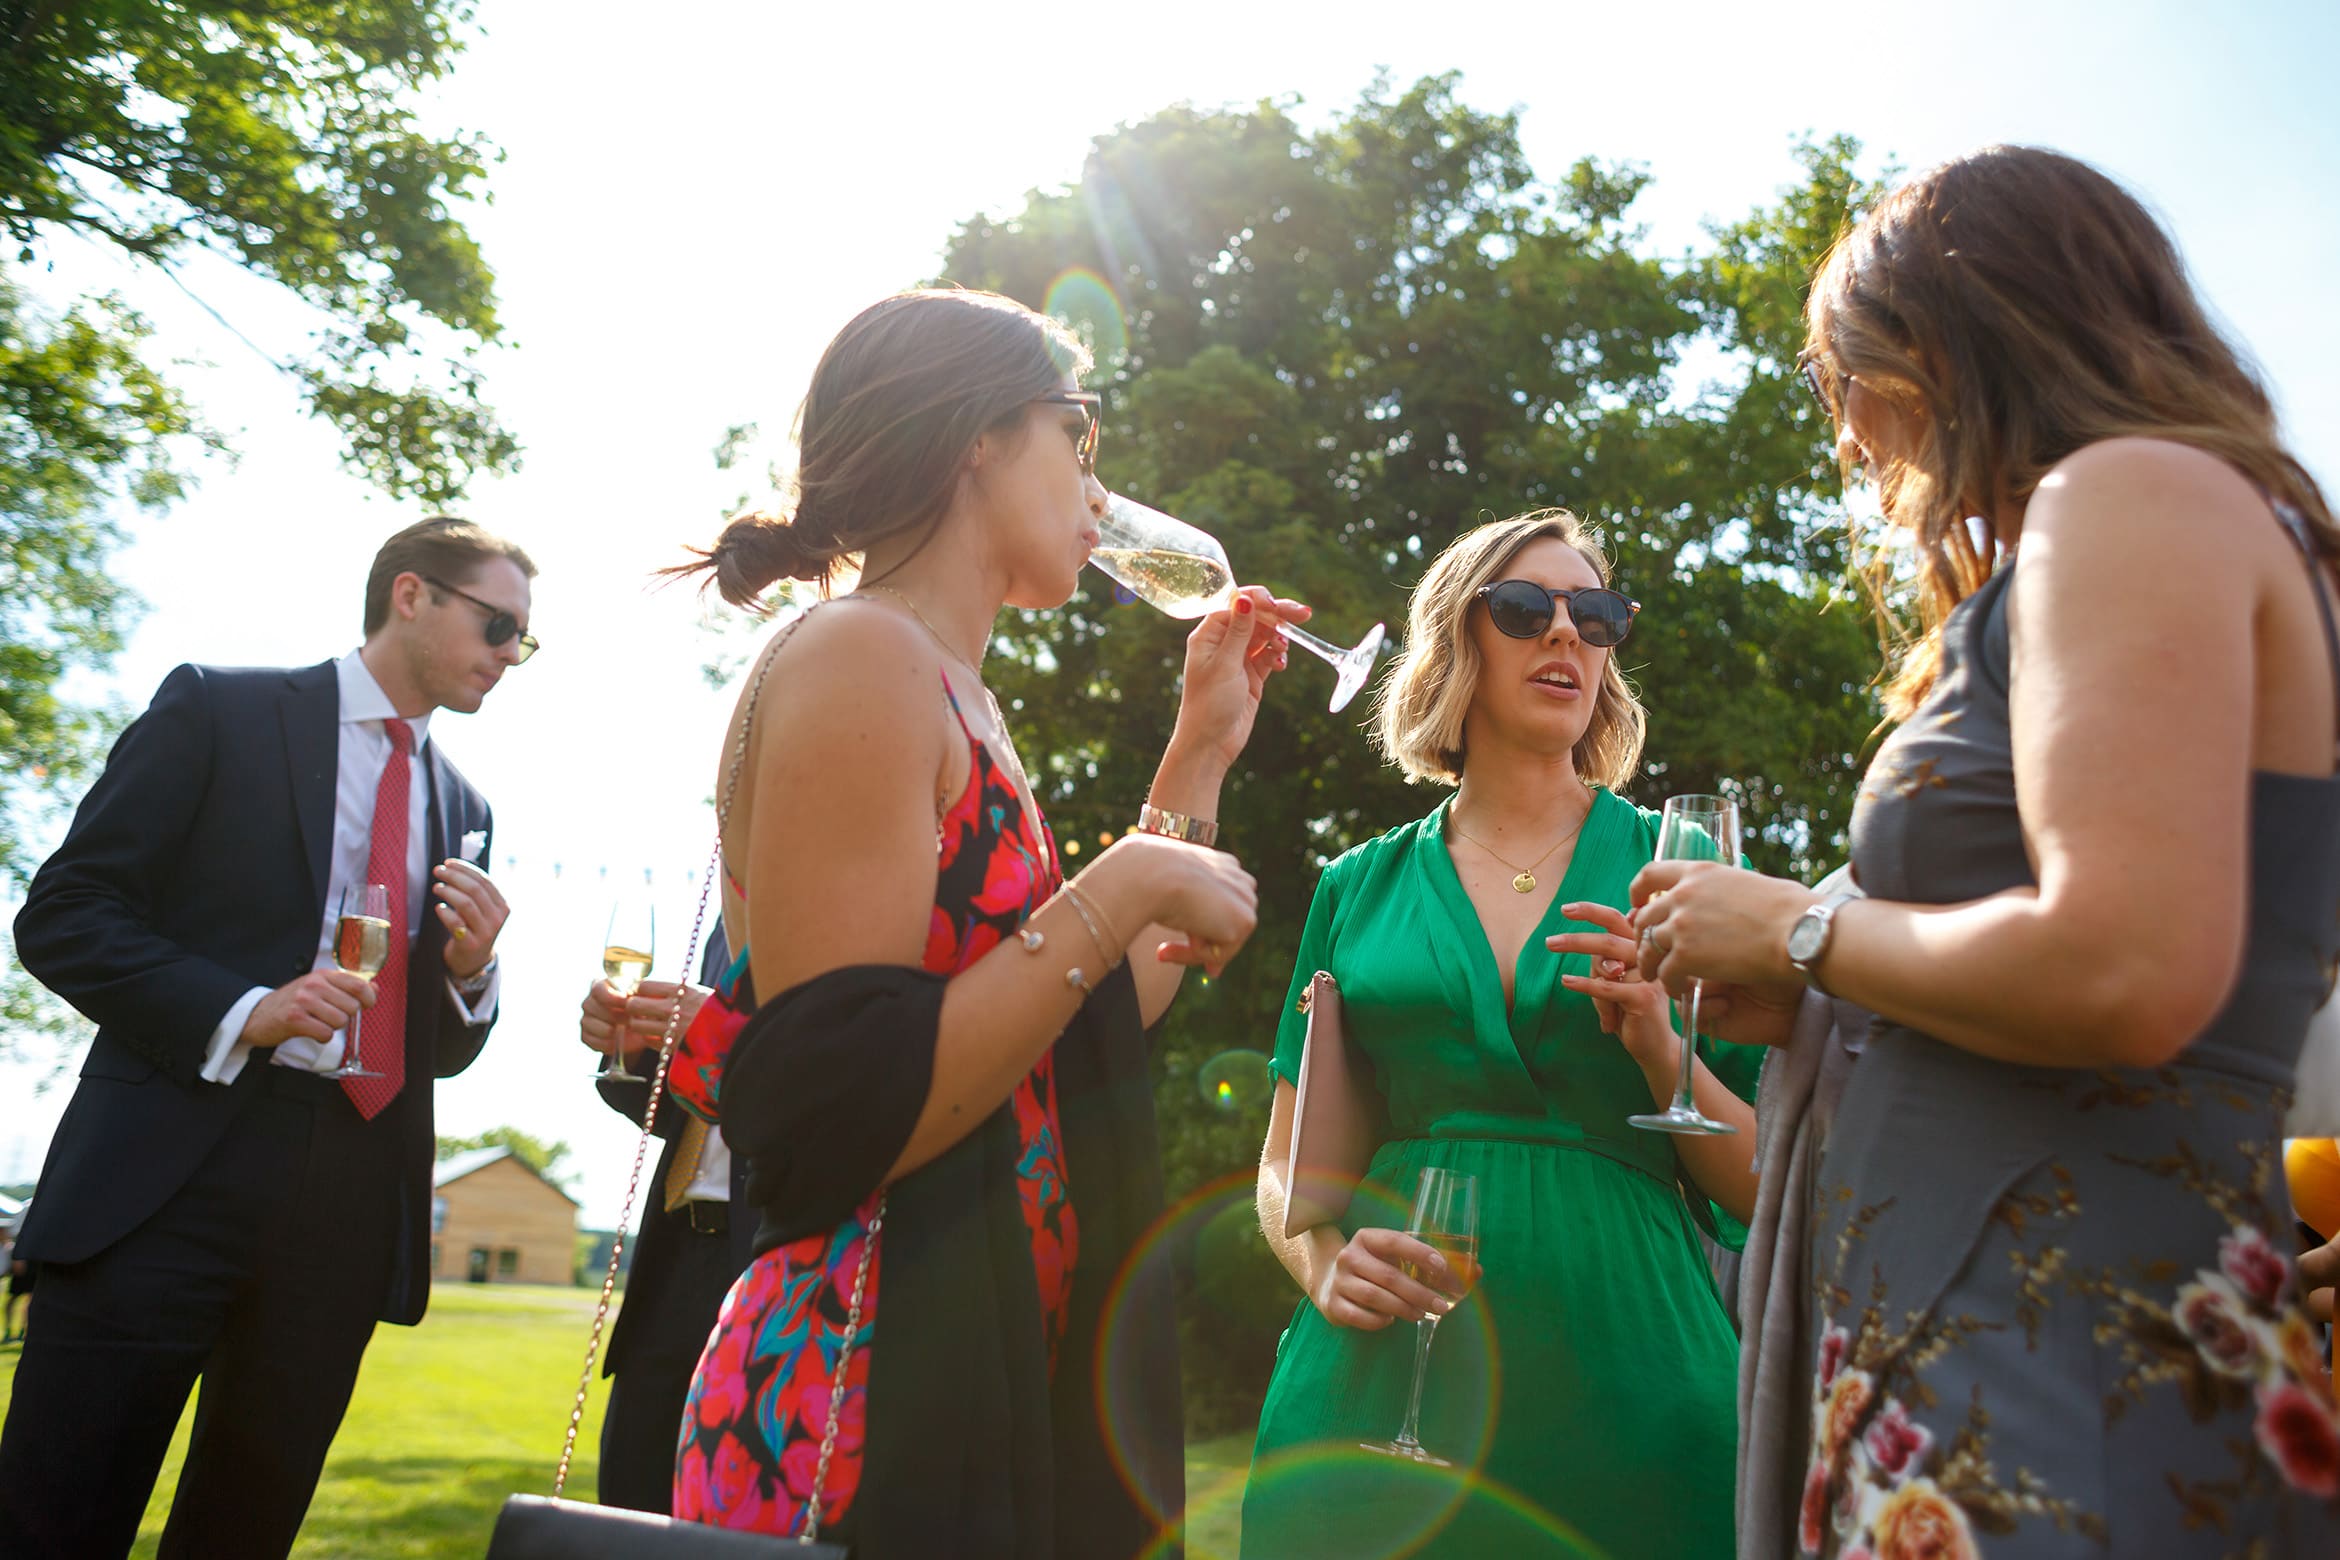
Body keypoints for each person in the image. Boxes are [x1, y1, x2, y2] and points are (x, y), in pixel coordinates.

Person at [1630, 145, 2340, 1554]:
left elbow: (2128, 964)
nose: (1846, 443)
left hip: (2063, 1357)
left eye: (1843, 384)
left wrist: (1800, 933)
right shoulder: (2176, 522)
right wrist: (1824, 1001)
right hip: (2013, 1334)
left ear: (1946, 347)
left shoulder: (2129, 495)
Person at [659, 287, 1297, 1554]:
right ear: (977, 438)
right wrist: (1119, 886)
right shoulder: (860, 656)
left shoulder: (952, 691)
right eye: (1082, 434)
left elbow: (1078, 1010)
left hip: (960, 1365)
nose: (1099, 489)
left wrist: (1201, 754)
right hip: (858, 1390)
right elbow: (847, 1101)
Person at [0, 515, 532, 1558]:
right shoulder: (220, 708)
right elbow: (65, 913)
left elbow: (440, 1048)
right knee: (54, 1521)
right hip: (166, 1174)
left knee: (247, 1533)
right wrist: (247, 1010)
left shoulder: (466, 806)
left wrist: (471, 978)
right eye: (499, 625)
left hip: (346, 1200)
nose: (511, 657)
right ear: (411, 595)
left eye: (524, 640)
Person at [1242, 510, 1764, 1559]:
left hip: (1640, 1394)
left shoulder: (1685, 870)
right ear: (1456, 640)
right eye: (1526, 609)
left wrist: (1664, 1050)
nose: (1565, 635)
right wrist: (1324, 1264)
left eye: (1596, 615)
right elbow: (1280, 1170)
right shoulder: (1357, 886)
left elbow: (1765, 1187)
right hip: (1380, 1398)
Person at [577, 918, 754, 1514]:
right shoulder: (729, 925)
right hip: (672, 1259)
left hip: (769, 1261)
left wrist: (727, 1034)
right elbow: (698, 1109)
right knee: (631, 1500)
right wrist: (633, 1053)